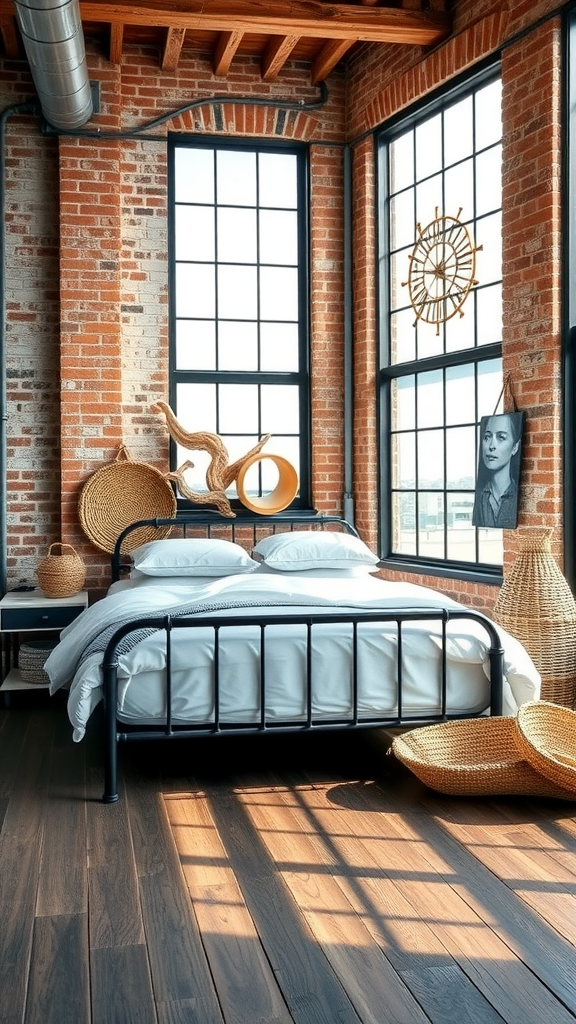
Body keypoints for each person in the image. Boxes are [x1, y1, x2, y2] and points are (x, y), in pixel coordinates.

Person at [472, 412, 523, 529]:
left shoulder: (515, 495)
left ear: (515, 447)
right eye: (487, 437)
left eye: (501, 437)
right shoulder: (480, 497)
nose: (491, 446)